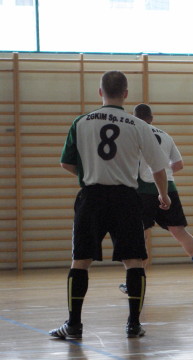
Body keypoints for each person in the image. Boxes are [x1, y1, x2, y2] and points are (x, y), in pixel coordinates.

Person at [50, 71, 171, 339]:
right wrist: (163, 195)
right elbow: (158, 168)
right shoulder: (139, 125)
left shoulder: (81, 122)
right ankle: (133, 325)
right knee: (134, 261)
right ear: (125, 94)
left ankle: (73, 325)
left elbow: (66, 163)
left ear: (100, 92)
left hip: (91, 197)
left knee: (80, 261)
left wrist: (89, 175)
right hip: (126, 199)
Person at [117, 103, 193, 297]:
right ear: (151, 119)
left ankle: (136, 280)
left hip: (142, 189)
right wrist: (164, 172)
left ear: (134, 118)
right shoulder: (165, 136)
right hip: (168, 187)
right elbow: (179, 164)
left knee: (140, 235)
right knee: (180, 231)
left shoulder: (133, 132)